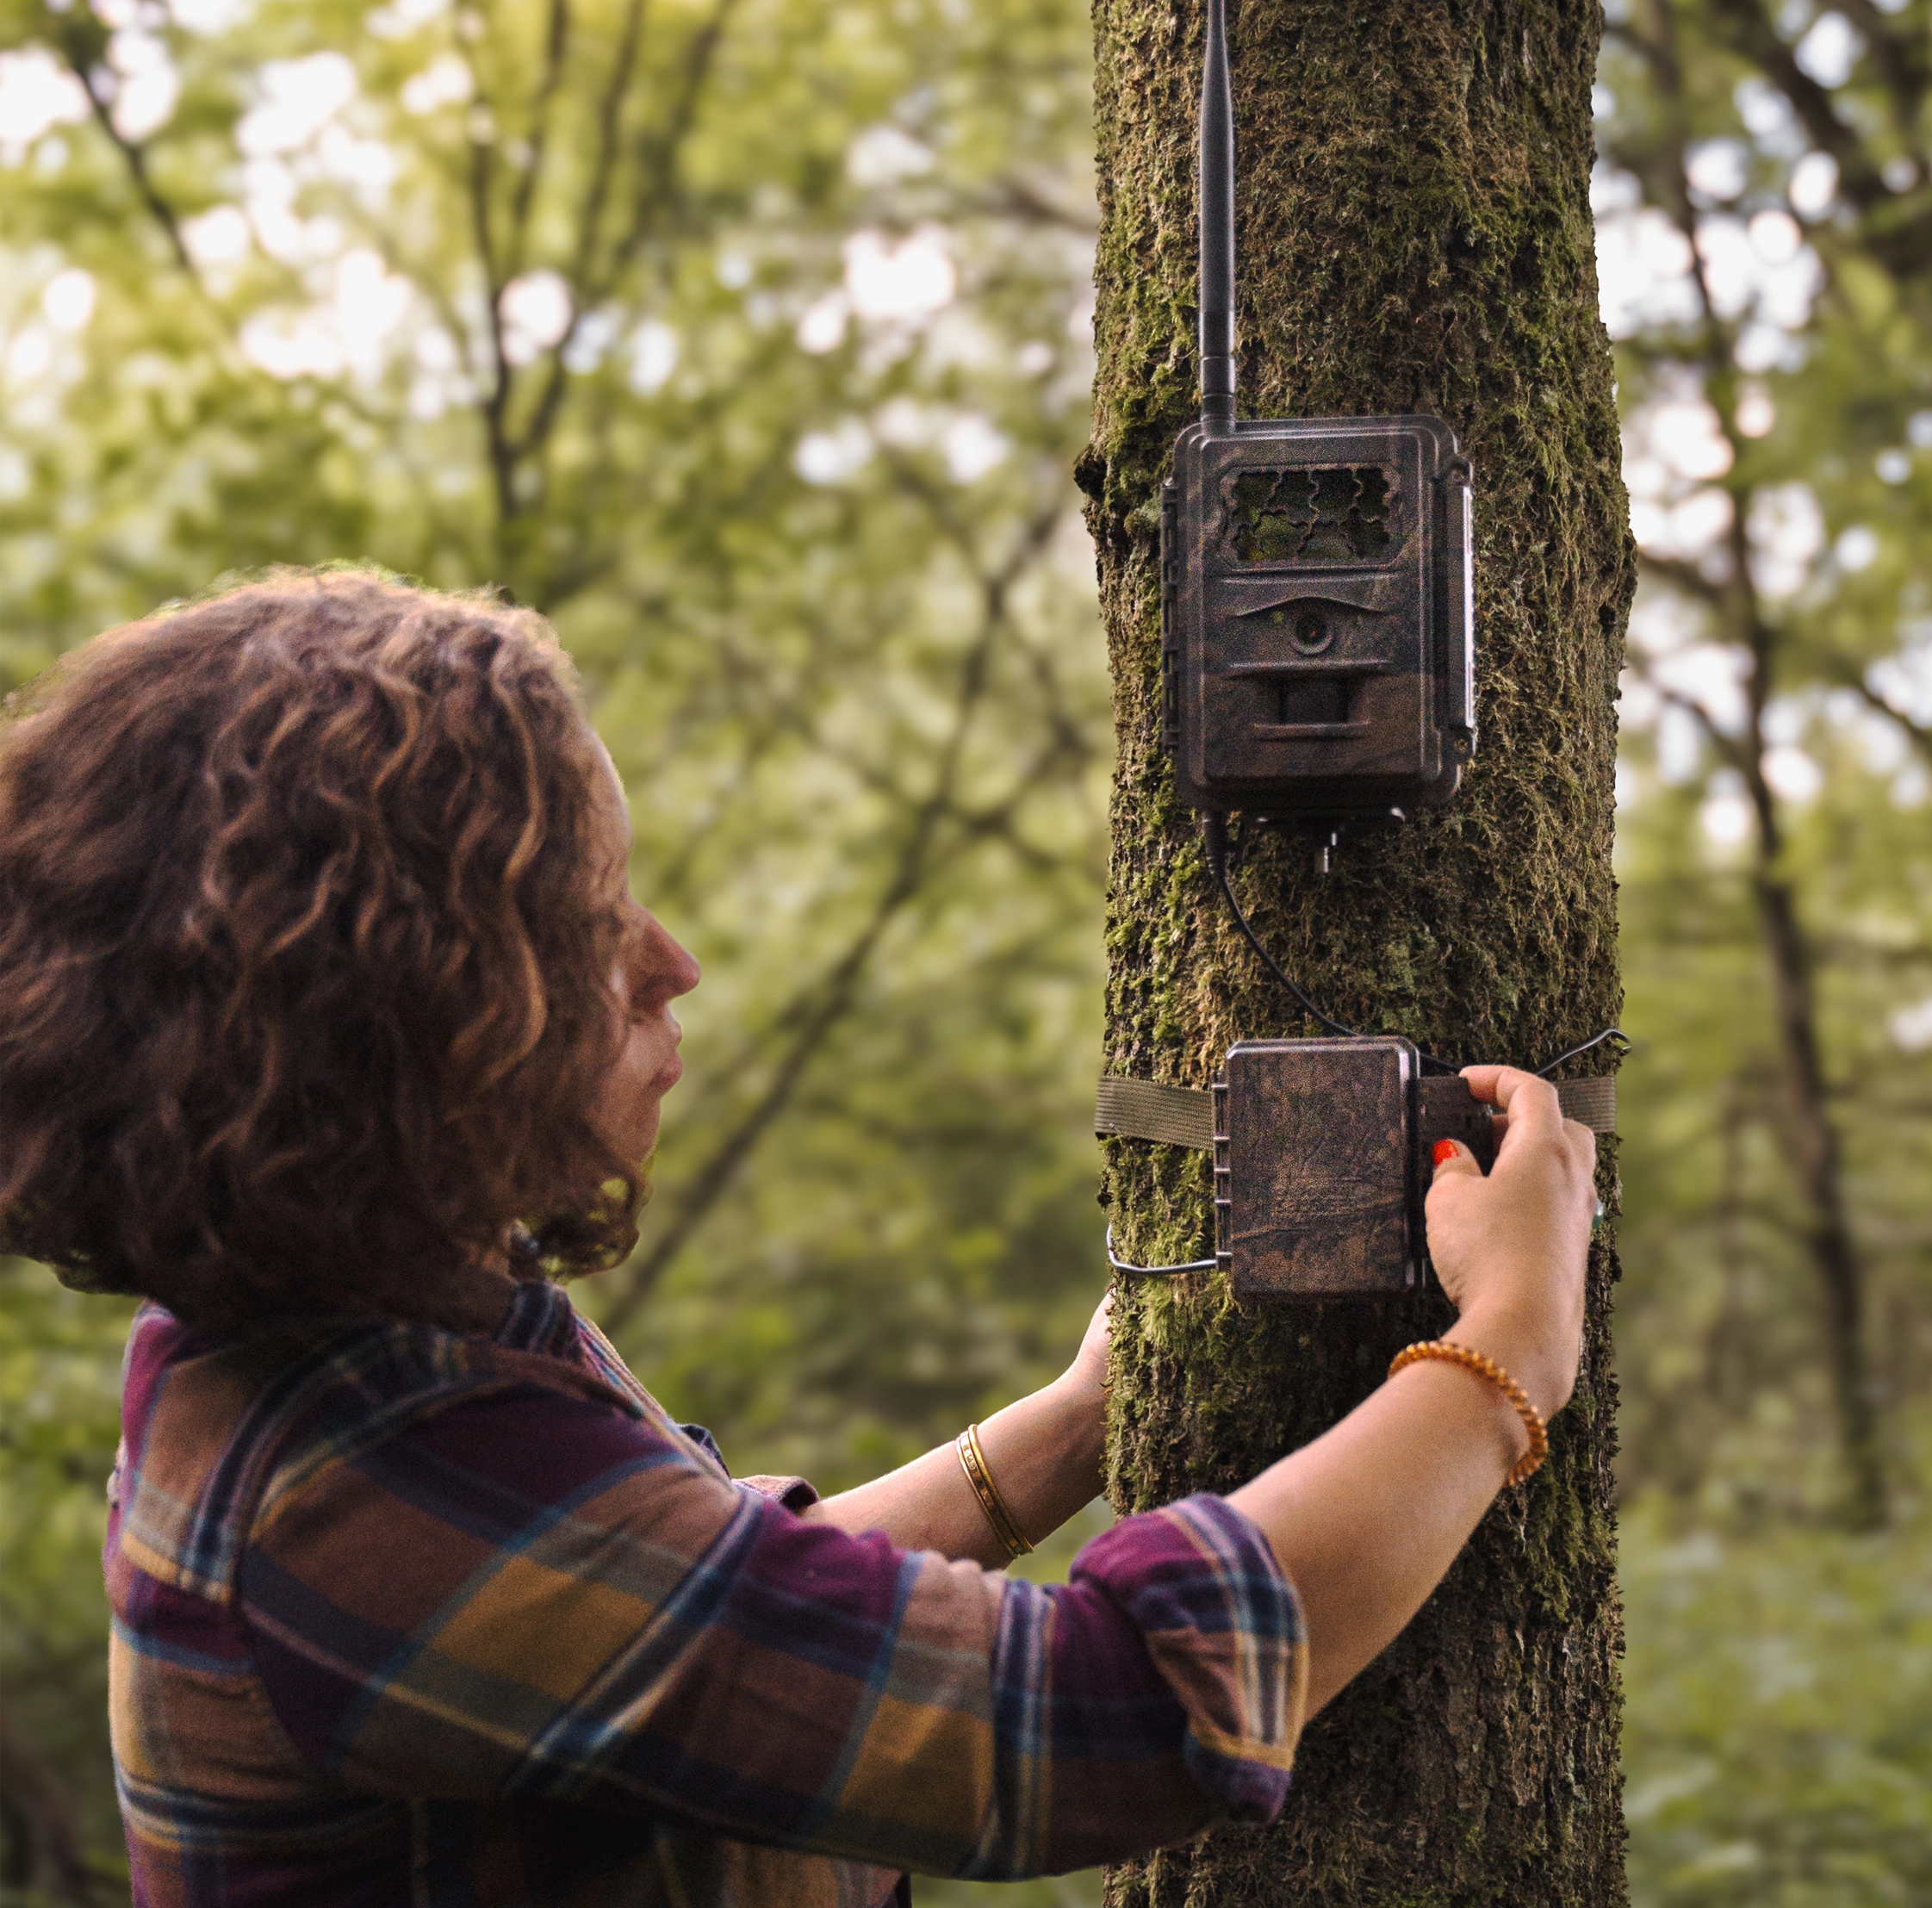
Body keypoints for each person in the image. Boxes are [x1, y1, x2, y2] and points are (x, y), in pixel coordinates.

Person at [0, 569, 1598, 1907]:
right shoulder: (362, 1489)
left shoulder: (353, 1324)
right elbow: (1088, 1717)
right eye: (586, 924)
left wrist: (1063, 1435)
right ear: (399, 1026)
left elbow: (715, 1621)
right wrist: (1506, 1348)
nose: (670, 962)